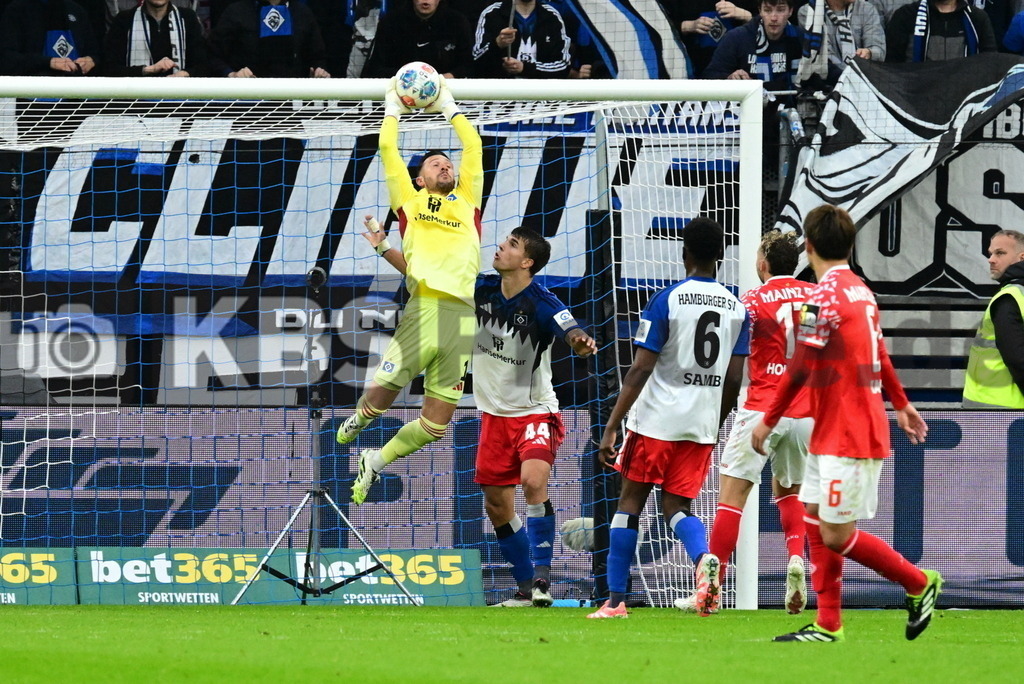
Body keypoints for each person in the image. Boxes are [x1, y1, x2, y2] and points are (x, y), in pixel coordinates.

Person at [363, 221, 597, 607]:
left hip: (535, 412)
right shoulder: (480, 288)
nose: (501, 247)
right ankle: (525, 590)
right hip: (493, 416)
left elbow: (568, 328)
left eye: (512, 244)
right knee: (496, 504)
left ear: (528, 262)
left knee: (533, 480)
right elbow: (423, 274)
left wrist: (580, 341)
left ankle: (542, 577)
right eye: (505, 241)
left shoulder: (543, 302)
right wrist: (383, 247)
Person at [751, 204, 939, 643]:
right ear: (850, 245)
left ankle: (918, 582)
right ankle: (828, 623)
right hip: (831, 427)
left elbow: (799, 366)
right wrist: (902, 404)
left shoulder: (821, 299)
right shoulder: (861, 290)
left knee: (836, 534)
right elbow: (880, 355)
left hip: (849, 432)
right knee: (813, 516)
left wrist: (768, 420)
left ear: (808, 247)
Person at [589, 217, 749, 619]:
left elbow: (641, 369)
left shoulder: (668, 299)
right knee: (677, 508)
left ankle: (614, 602)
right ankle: (703, 560)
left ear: (685, 253)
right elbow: (733, 377)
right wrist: (716, 420)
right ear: (722, 255)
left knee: (629, 505)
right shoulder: (736, 308)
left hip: (656, 421)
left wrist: (612, 425)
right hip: (700, 425)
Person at [338, 76, 483, 507]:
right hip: (425, 308)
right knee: (381, 397)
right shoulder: (411, 205)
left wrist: (448, 104)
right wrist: (392, 106)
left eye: (446, 163)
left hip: (462, 316)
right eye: (434, 164)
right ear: (418, 180)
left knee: (437, 425)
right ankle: (361, 420)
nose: (445, 166)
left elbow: (472, 145)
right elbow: (388, 150)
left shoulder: (468, 202)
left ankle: (375, 460)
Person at [693, 231, 815, 615]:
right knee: (789, 491)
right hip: (805, 412)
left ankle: (713, 580)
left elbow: (728, 352)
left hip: (761, 407)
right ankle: (796, 558)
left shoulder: (752, 301)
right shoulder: (814, 299)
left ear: (763, 263)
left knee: (732, 499)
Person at [963, 230, 1024, 408]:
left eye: (1000, 253)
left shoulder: (1010, 296)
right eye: (991, 253)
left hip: (998, 411)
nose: (991, 259)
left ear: (1022, 257)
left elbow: (1017, 359)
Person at [209, 0, 331, 77]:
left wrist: (318, 72)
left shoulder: (303, 13)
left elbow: (317, 57)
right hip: (246, 101)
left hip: (291, 102)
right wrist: (232, 74)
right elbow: (212, 55)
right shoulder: (235, 12)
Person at [701, 0, 803, 90]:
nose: (773, 18)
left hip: (795, 108)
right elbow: (709, 77)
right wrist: (730, 78)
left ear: (790, 11)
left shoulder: (802, 39)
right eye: (767, 10)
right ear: (760, 11)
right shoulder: (736, 37)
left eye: (780, 10)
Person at [361, 0, 475, 79]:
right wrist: (410, 78)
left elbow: (468, 65)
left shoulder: (457, 22)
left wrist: (442, 79)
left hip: (446, 93)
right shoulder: (390, 22)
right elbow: (376, 68)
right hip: (400, 93)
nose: (425, 1)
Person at [104, 0, 209, 76]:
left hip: (179, 98)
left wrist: (184, 74)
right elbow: (109, 67)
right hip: (135, 101)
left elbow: (203, 64)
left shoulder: (187, 17)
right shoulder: (124, 19)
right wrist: (148, 69)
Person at [472, 0, 571, 78]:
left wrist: (524, 68)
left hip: (541, 97)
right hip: (499, 96)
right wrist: (497, 44)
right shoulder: (492, 14)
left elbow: (563, 65)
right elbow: (475, 60)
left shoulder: (552, 16)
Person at [0, 0, 100, 77]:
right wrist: (49, 62)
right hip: (33, 95)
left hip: (76, 94)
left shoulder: (76, 10)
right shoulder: (17, 10)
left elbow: (96, 53)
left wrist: (91, 60)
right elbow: (7, 59)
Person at [798, 0, 886, 87]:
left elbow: (879, 49)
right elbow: (825, 58)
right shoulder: (810, 12)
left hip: (866, 83)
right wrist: (851, 80)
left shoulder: (867, 9)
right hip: (827, 86)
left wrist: (869, 52)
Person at [659, 0, 757, 78]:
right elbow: (658, 27)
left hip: (738, 73)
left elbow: (767, 25)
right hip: (691, 73)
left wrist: (746, 16)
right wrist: (687, 26)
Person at [886, 0, 997, 62]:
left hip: (966, 96)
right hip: (915, 95)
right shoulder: (906, 15)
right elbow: (892, 63)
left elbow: (990, 62)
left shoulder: (977, 18)